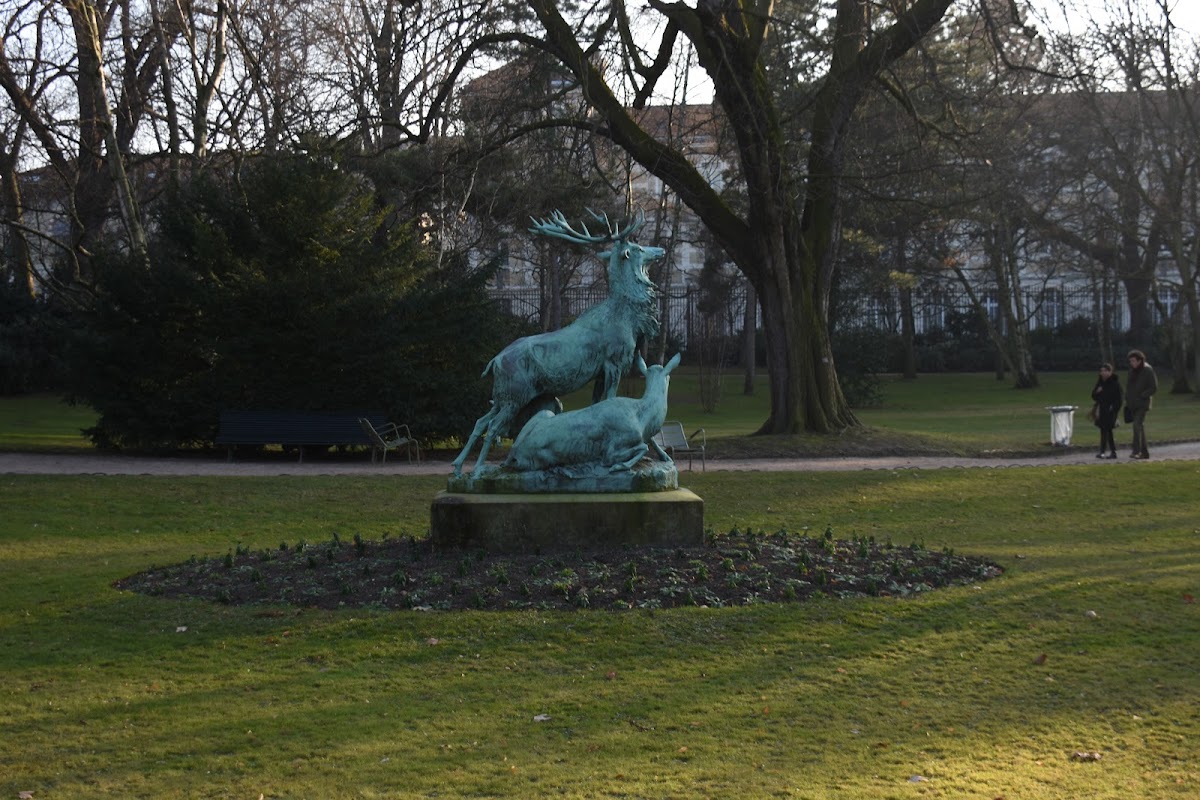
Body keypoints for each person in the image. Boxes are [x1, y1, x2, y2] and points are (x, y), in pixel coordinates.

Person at [1125, 349, 1158, 459]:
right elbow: (1129, 387)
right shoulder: (1131, 371)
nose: (1132, 363)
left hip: (1142, 404)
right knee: (1140, 428)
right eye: (1130, 361)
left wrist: (1143, 395)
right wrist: (1128, 399)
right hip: (1132, 404)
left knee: (1136, 426)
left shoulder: (1148, 370)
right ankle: (1145, 453)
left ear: (1140, 360)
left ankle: (1136, 451)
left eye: (1134, 361)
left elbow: (1153, 387)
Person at [1090, 363, 1122, 459]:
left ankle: (1111, 452)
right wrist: (1097, 392)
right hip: (1101, 410)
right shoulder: (1100, 383)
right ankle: (1105, 451)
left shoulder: (1115, 383)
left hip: (1110, 411)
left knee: (1108, 431)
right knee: (1104, 431)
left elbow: (1119, 399)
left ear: (1110, 372)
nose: (1103, 373)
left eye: (1105, 371)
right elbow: (1094, 396)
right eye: (1101, 371)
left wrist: (1114, 408)